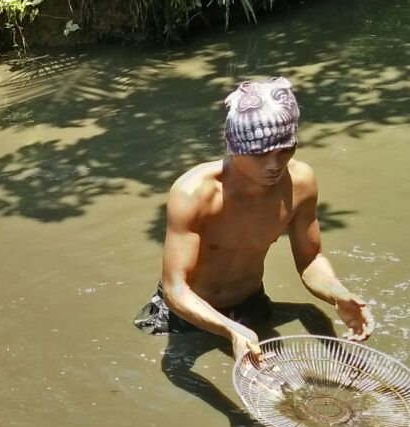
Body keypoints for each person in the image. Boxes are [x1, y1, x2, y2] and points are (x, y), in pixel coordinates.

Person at [135, 76, 375, 362]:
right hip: (185, 315)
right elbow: (176, 288)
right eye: (260, 154)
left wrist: (338, 294)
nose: (275, 165)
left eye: (285, 149)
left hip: (251, 305)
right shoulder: (194, 192)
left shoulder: (300, 183)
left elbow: (310, 260)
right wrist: (230, 330)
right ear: (234, 148)